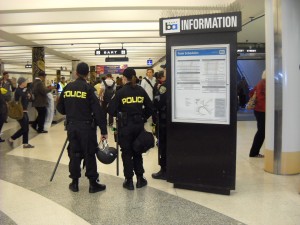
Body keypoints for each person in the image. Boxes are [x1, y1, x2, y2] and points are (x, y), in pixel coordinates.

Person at [56, 62, 108, 193]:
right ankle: (92, 183)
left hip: (72, 127)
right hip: (86, 128)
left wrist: (71, 111)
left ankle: (74, 183)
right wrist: (103, 130)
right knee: (89, 154)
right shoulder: (89, 89)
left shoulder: (68, 87)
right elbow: (98, 111)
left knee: (74, 154)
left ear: (76, 73)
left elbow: (60, 108)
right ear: (87, 74)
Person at [108, 68, 154, 190]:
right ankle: (140, 179)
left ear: (124, 78)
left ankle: (128, 181)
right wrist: (143, 117)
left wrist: (120, 112)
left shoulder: (120, 92)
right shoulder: (140, 90)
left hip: (125, 127)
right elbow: (150, 107)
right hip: (138, 126)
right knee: (137, 151)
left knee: (127, 153)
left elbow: (111, 110)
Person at [7, 77, 34, 148]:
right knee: (24, 128)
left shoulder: (25, 90)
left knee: (26, 128)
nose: (26, 83)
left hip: (25, 111)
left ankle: (25, 143)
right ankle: (11, 139)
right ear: (22, 83)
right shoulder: (18, 90)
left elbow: (30, 98)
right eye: (25, 81)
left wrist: (29, 94)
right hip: (20, 112)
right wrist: (27, 94)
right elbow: (24, 95)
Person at [152, 70, 167, 180]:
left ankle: (164, 170)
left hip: (164, 120)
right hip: (173, 121)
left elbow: (157, 102)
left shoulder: (164, 87)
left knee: (163, 145)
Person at [249, 70, 266, 158]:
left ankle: (254, 152)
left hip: (258, 110)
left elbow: (251, 93)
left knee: (261, 131)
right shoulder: (265, 84)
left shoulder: (260, 83)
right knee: (261, 132)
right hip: (262, 110)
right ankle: (254, 152)